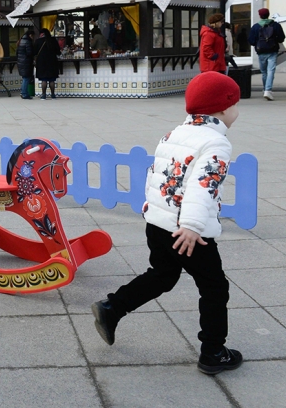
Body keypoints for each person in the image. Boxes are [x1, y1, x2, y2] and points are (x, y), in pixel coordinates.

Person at [91, 72, 242, 376]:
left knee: (163, 275)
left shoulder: (173, 134)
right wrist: (192, 226)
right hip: (187, 231)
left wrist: (152, 210)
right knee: (214, 286)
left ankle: (112, 308)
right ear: (225, 108)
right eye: (236, 104)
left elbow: (156, 175)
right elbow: (203, 185)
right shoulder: (216, 143)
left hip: (158, 223)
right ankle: (213, 352)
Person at [248, 8, 286, 101]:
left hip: (261, 51)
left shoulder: (255, 27)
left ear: (260, 16)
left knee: (264, 72)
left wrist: (258, 43)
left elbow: (251, 40)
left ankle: (266, 89)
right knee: (271, 71)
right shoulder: (276, 25)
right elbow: (281, 38)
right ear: (268, 14)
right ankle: (268, 90)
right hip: (273, 51)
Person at [34, 28, 61, 100]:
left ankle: (43, 95)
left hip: (42, 62)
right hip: (52, 62)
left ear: (41, 34)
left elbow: (34, 52)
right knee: (52, 80)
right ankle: (53, 95)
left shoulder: (38, 41)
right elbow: (58, 51)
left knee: (44, 80)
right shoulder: (53, 40)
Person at [16, 30, 36, 99]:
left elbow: (17, 53)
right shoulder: (28, 42)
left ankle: (23, 92)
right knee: (26, 78)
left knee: (25, 78)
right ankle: (24, 93)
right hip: (26, 63)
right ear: (30, 35)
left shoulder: (20, 41)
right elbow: (29, 53)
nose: (33, 37)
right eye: (33, 36)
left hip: (21, 62)